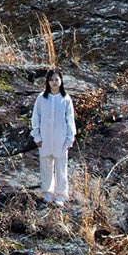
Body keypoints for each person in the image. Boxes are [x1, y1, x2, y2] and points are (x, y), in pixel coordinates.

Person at [31, 69, 76, 206]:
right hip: (45, 139)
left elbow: (70, 120)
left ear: (61, 80)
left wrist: (70, 138)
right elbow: (36, 117)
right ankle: (47, 193)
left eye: (56, 79)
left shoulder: (65, 99)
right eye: (51, 80)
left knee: (61, 168)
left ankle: (61, 195)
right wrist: (37, 136)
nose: (54, 82)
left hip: (61, 139)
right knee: (46, 167)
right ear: (47, 82)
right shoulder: (41, 98)